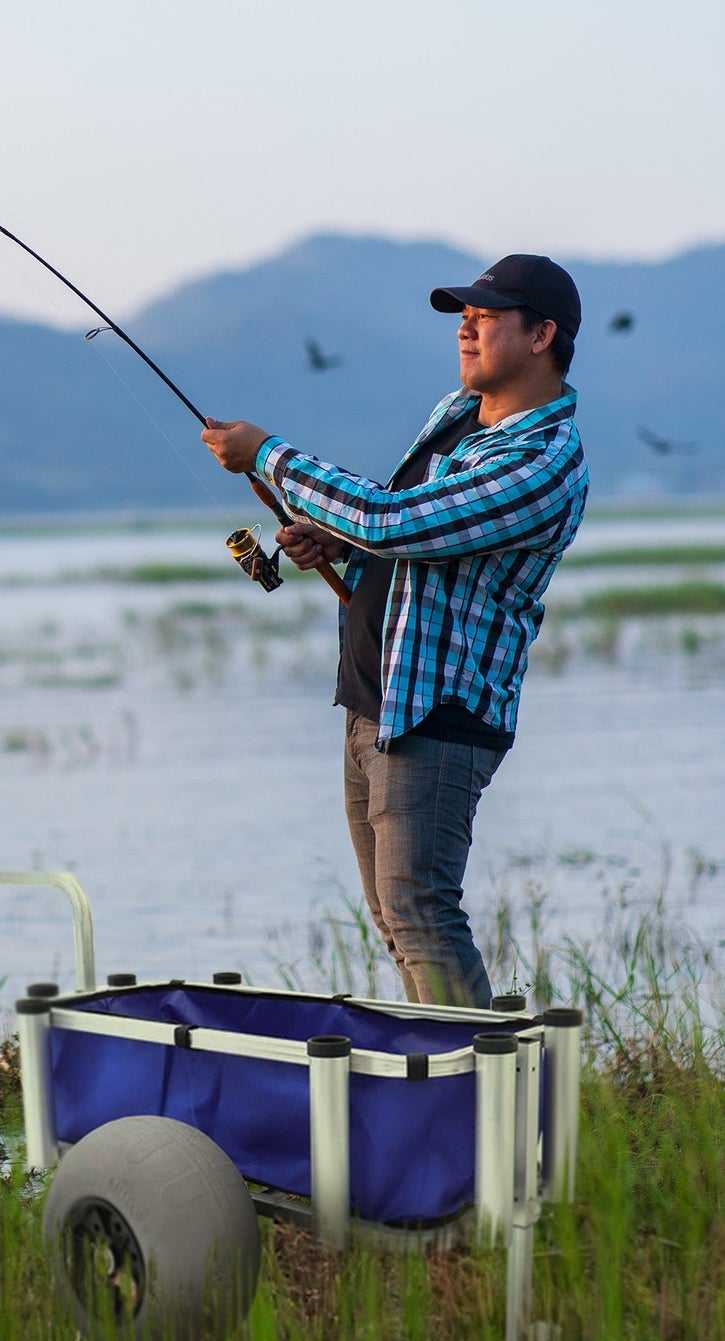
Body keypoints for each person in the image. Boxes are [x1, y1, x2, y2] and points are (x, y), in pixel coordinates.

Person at [201, 254, 588, 1009]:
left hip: (435, 718)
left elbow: (395, 521)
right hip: (371, 701)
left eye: (485, 317)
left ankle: (487, 1097)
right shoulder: (456, 414)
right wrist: (334, 539)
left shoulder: (542, 461)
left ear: (542, 335)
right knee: (393, 918)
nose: (465, 329)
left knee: (421, 914)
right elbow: (393, 519)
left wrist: (268, 456)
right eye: (462, 316)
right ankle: (443, 1095)